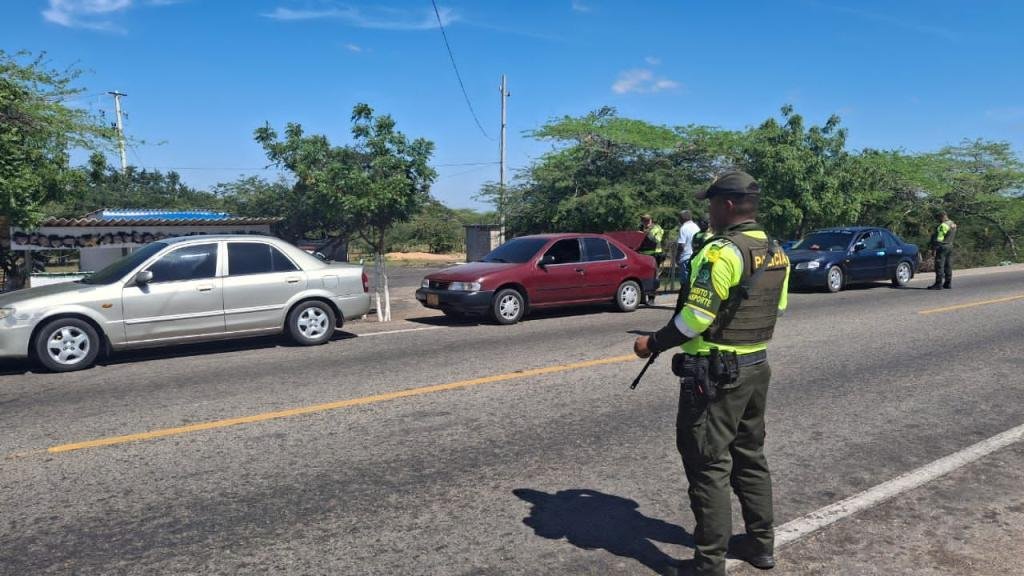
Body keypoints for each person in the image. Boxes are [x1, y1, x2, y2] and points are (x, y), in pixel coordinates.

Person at [633, 171, 790, 576]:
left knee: (708, 466)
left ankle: (708, 564)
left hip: (717, 376)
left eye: (712, 203)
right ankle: (761, 546)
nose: (708, 210)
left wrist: (652, 343)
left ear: (729, 206)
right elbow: (778, 308)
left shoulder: (720, 252)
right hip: (756, 366)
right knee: (750, 456)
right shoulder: (775, 250)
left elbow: (695, 318)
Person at [639, 214, 666, 304]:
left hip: (654, 256)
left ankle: (651, 299)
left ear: (651, 220)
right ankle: (642, 298)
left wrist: (647, 233)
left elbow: (657, 240)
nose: (645, 222)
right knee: (642, 276)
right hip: (642, 255)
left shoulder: (657, 228)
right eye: (643, 220)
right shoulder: (640, 228)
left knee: (652, 277)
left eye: (647, 220)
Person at [928, 211, 957, 290]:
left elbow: (939, 239)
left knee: (939, 265)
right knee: (948, 265)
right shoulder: (952, 224)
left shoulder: (943, 225)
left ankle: (938, 284)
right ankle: (948, 283)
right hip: (950, 245)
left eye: (938, 218)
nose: (938, 220)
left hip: (942, 247)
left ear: (942, 217)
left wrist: (934, 249)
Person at [677, 210, 702, 285]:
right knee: (693, 281)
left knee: (685, 283)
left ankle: (685, 295)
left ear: (682, 218)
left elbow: (681, 245)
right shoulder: (696, 227)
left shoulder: (683, 228)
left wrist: (677, 256)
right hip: (695, 257)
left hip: (686, 257)